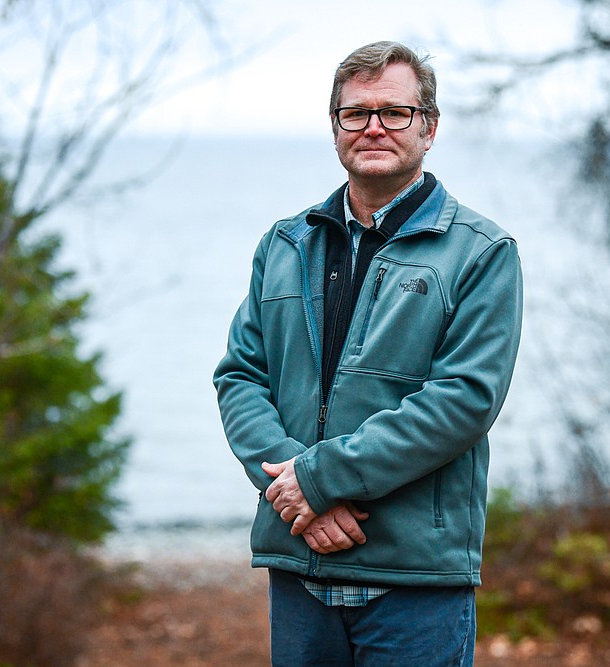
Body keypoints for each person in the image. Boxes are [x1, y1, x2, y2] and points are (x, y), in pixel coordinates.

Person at [213, 40, 523, 666]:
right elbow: (241, 377)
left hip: (414, 575)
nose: (374, 126)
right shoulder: (284, 244)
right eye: (355, 113)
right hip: (301, 560)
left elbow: (463, 401)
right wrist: (293, 486)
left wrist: (320, 480)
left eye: (395, 112)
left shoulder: (482, 253)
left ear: (429, 127)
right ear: (335, 128)